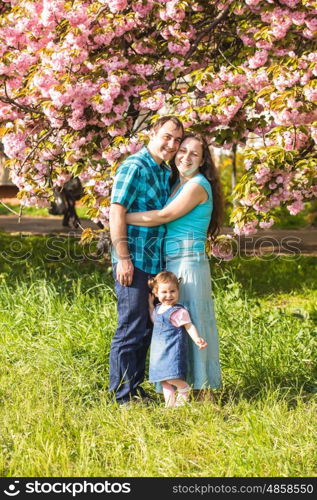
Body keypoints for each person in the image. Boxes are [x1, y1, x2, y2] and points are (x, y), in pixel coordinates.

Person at [126, 133, 223, 400]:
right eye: (182, 151)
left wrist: (119, 215)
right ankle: (182, 387)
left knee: (194, 323)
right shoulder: (178, 185)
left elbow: (164, 216)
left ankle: (204, 391)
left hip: (189, 266)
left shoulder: (197, 185)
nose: (186, 157)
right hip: (174, 263)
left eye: (194, 154)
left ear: (203, 161)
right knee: (175, 326)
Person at [109, 116, 184, 405]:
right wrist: (123, 258)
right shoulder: (134, 167)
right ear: (151, 134)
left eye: (177, 140)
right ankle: (122, 397)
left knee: (148, 328)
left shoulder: (164, 171)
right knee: (131, 328)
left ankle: (135, 388)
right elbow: (116, 212)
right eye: (166, 136)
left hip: (155, 262)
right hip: (135, 259)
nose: (172, 144)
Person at [148, 271, 207, 407]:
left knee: (172, 378)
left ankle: (184, 391)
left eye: (172, 291)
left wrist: (197, 338)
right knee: (164, 381)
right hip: (159, 354)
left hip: (172, 352)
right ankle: (170, 406)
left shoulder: (178, 311)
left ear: (178, 291)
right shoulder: (158, 309)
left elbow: (189, 326)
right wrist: (150, 306)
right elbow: (155, 320)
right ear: (156, 293)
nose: (169, 295)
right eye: (164, 292)